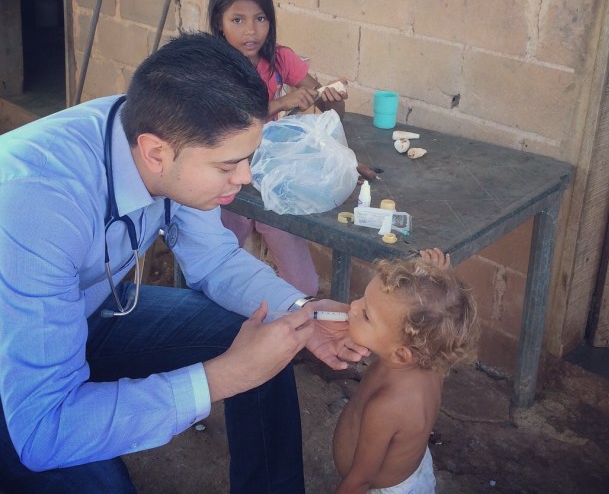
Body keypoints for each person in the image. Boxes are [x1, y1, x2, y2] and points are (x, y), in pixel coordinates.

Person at [0, 32, 367, 494]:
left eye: (247, 159)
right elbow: (43, 430)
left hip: (89, 312)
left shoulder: (169, 133)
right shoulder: (38, 198)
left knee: (272, 337)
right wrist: (226, 376)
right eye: (227, 165)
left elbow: (212, 259)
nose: (245, 177)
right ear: (156, 153)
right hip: (15, 356)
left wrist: (299, 311)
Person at [208, 0, 348, 296]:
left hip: (273, 179)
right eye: (238, 20)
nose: (251, 31)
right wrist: (279, 103)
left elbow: (330, 110)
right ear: (219, 22)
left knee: (304, 283)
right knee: (223, 268)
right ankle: (227, 334)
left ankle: (282, 334)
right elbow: (223, 120)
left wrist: (331, 96)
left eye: (260, 19)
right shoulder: (213, 65)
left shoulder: (280, 58)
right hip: (228, 180)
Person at [332, 248, 478, 494]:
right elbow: (439, 320)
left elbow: (359, 481)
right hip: (410, 471)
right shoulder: (430, 360)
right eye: (362, 300)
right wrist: (436, 277)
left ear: (401, 353)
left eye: (366, 315)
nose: (353, 307)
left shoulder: (388, 407)